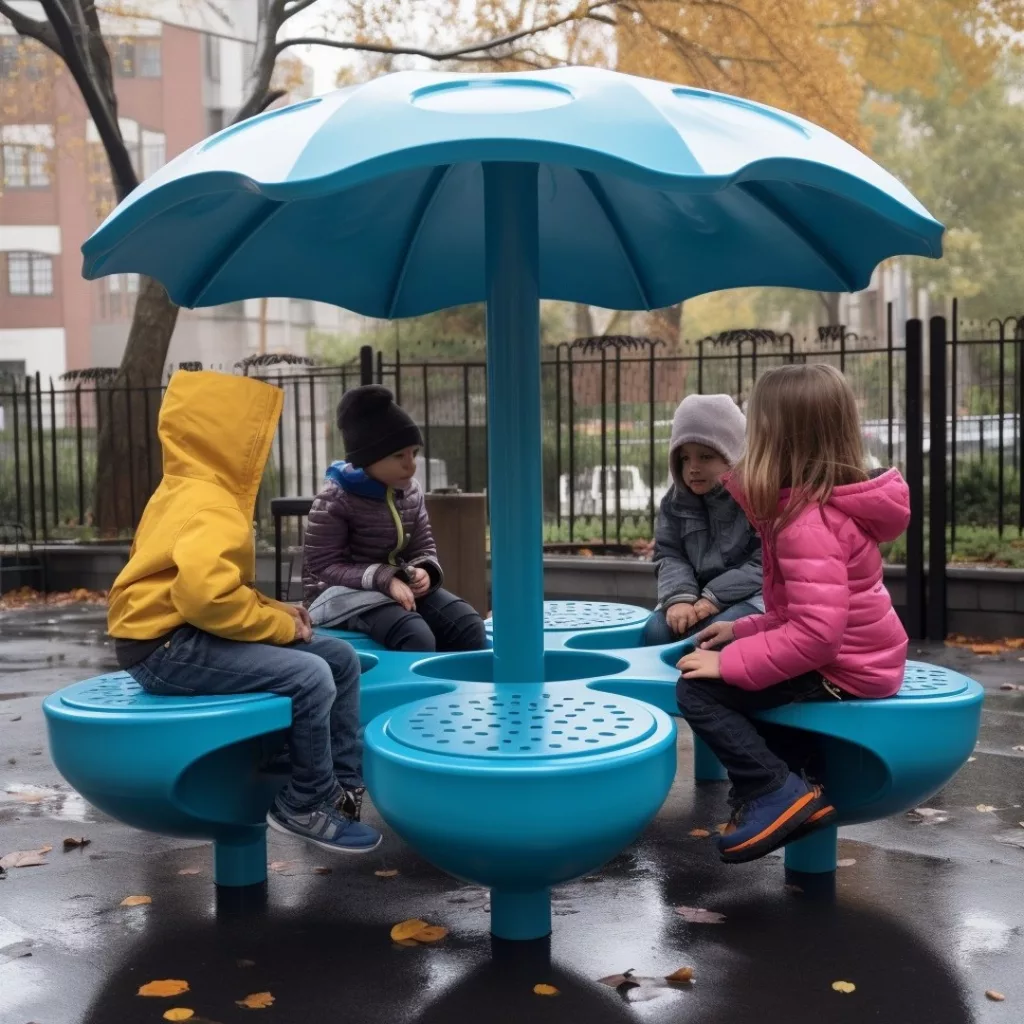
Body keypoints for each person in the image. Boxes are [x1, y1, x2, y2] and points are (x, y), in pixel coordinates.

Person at [107, 370, 381, 855]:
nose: (264, 450)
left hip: (185, 628)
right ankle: (305, 801)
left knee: (338, 658)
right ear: (230, 443)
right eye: (258, 439)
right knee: (313, 675)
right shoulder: (212, 504)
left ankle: (340, 784)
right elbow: (205, 599)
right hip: (164, 645)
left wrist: (275, 609)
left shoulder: (186, 489)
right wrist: (276, 625)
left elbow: (208, 588)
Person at [676, 363, 910, 864]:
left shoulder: (804, 522)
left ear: (778, 439)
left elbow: (817, 636)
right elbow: (797, 612)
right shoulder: (809, 505)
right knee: (743, 676)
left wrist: (731, 663)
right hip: (858, 654)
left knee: (699, 690)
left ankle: (773, 792)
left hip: (845, 667)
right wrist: (741, 628)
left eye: (756, 428)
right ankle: (798, 778)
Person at [303, 385, 487, 653]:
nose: (410, 465)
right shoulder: (335, 499)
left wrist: (425, 570)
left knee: (468, 626)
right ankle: (411, 693)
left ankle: (453, 689)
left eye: (414, 453)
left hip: (395, 586)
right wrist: (384, 578)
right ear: (367, 458)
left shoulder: (410, 492)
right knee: (415, 637)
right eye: (399, 455)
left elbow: (422, 546)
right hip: (339, 595)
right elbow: (322, 566)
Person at [643, 393, 763, 646]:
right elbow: (669, 554)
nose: (693, 468)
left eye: (705, 457)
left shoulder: (756, 500)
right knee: (655, 632)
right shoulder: (674, 502)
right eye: (685, 458)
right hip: (692, 595)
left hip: (752, 597)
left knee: (716, 636)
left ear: (733, 455)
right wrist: (680, 598)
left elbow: (765, 563)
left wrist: (713, 598)